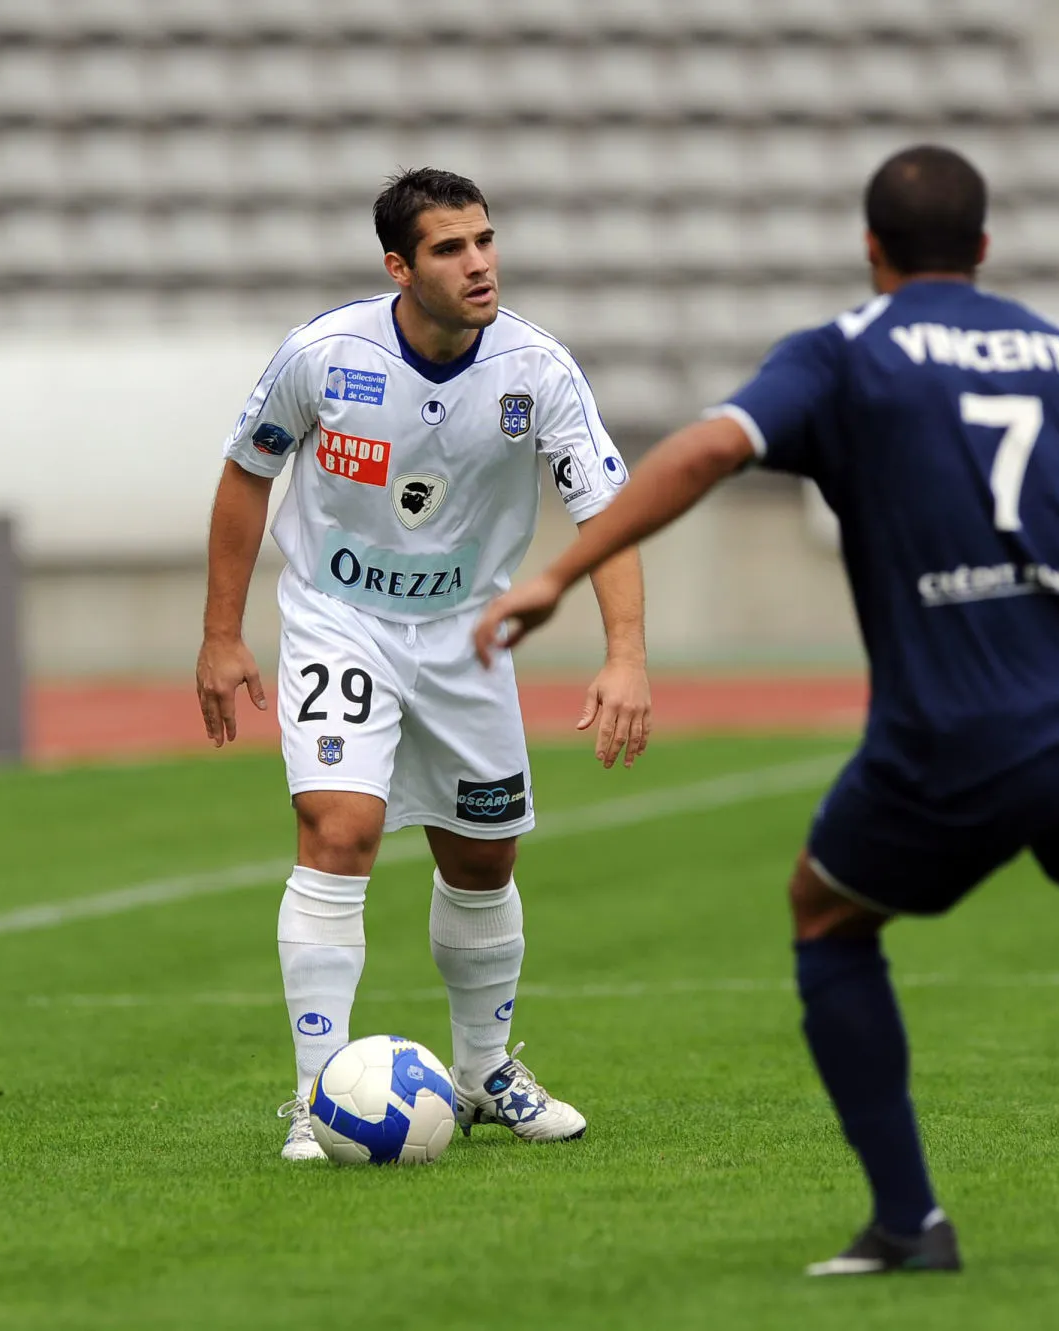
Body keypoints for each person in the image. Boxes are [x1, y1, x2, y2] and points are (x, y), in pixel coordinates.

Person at [471, 146, 1059, 1272]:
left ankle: (907, 1221)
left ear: (871, 249)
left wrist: (555, 573)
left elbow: (704, 450)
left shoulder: (844, 354)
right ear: (981, 250)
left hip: (960, 724)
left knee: (827, 914)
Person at [196, 167, 652, 1159]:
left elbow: (608, 515)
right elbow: (246, 474)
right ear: (400, 266)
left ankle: (484, 1070)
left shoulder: (536, 370)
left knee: (481, 857)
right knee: (339, 825)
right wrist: (222, 632)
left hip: (468, 634)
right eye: (450, 247)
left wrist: (624, 653)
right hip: (337, 618)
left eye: (484, 239)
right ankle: (320, 1096)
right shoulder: (324, 355)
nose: (478, 261)